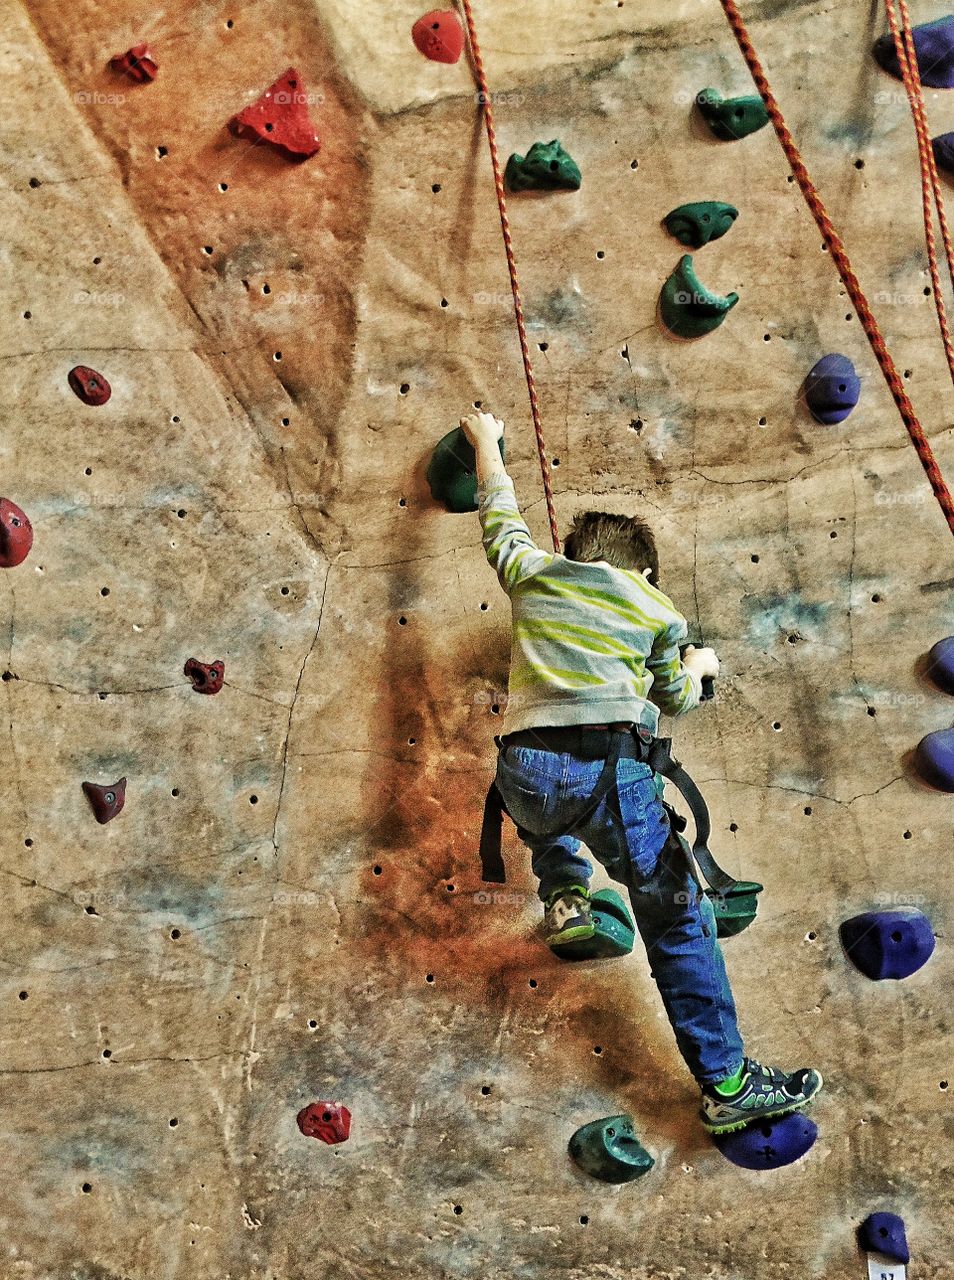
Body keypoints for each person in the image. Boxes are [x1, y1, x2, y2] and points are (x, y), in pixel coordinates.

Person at [462, 410, 823, 1134]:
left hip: (520, 776)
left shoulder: (533, 573)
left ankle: (566, 897)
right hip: (610, 777)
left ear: (571, 554)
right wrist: (700, 665)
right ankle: (727, 1083)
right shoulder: (657, 608)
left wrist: (485, 443)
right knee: (677, 917)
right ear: (646, 571)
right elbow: (674, 698)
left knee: (550, 817)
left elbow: (500, 518)